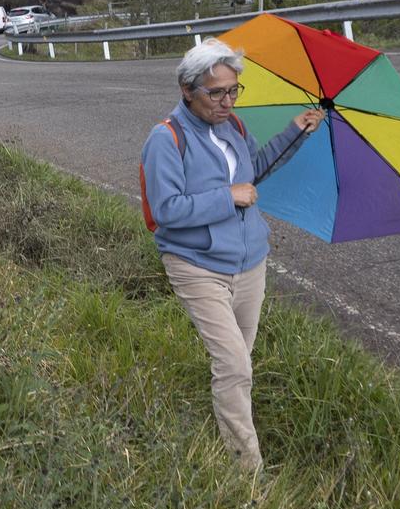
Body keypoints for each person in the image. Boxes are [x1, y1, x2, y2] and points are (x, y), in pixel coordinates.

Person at [139, 39, 325, 473]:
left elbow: (252, 172)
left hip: (250, 262)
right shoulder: (165, 139)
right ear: (187, 90)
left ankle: (232, 423)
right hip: (196, 265)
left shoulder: (233, 128)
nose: (227, 101)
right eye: (216, 92)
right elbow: (166, 210)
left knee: (241, 357)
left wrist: (295, 130)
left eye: (234, 90)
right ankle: (247, 472)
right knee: (235, 365)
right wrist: (228, 197)